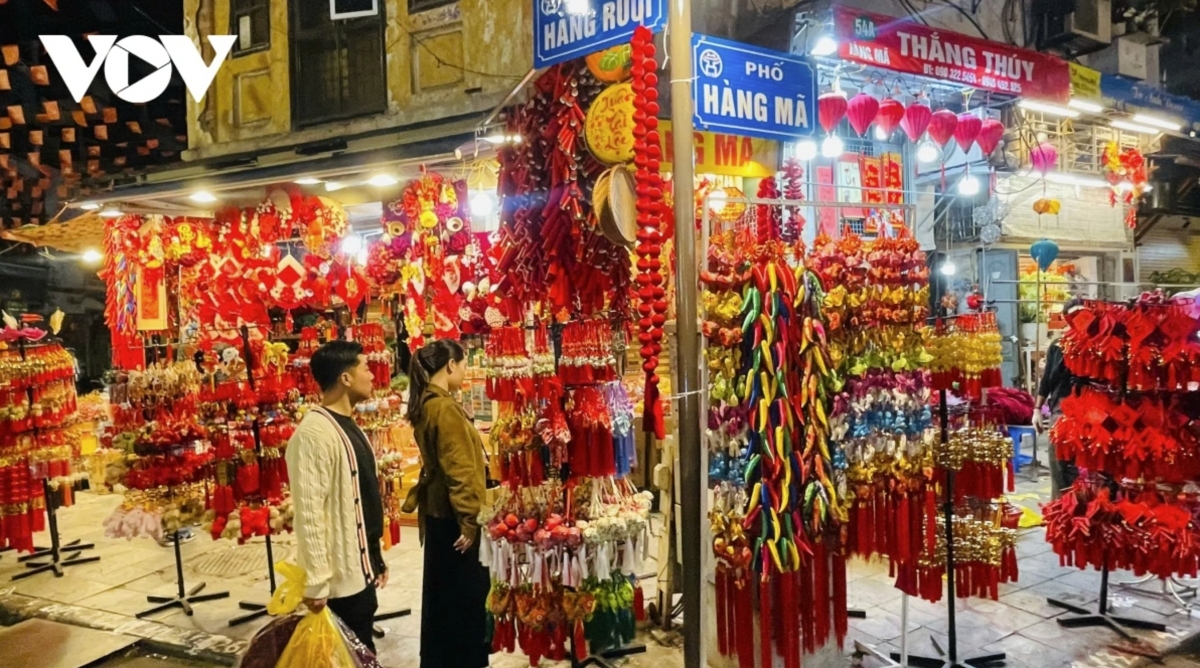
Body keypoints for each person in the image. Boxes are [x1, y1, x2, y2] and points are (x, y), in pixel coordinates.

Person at [286, 340, 387, 654]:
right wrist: (317, 581)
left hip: (360, 572)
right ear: (345, 377)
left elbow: (364, 501)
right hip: (338, 583)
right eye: (366, 368)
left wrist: (375, 557)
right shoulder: (313, 434)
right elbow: (309, 513)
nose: (373, 376)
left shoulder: (349, 426)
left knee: (360, 651)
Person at [402, 339, 490, 668]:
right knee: (464, 603)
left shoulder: (426, 403)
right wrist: (469, 521)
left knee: (442, 602)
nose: (465, 371)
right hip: (454, 519)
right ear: (450, 365)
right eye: (463, 365)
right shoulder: (445, 408)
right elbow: (461, 471)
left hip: (439, 514)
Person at [1033, 297, 1082, 497]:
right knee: (1059, 466)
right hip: (1061, 410)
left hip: (1088, 411)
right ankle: (1061, 508)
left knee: (1083, 469)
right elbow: (1047, 380)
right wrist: (1037, 410)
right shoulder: (1058, 345)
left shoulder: (1096, 345)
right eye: (1073, 315)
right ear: (1065, 318)